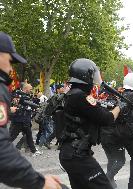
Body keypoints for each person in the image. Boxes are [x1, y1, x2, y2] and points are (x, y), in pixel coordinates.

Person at [0, 31, 62, 189]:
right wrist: (40, 182)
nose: (10, 69)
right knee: (14, 135)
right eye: (10, 61)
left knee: (23, 135)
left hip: (24, 120)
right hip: (20, 120)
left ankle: (31, 149)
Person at [59, 58, 122, 189]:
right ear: (85, 76)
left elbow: (91, 112)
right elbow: (107, 119)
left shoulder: (72, 94)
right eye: (93, 75)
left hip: (71, 153)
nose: (94, 79)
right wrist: (120, 107)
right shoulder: (81, 97)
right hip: (77, 156)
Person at [101, 73, 133, 189]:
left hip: (116, 133)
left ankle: (108, 181)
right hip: (132, 134)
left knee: (116, 160)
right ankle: (131, 186)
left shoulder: (119, 97)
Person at [9, 83, 42, 156]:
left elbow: (29, 105)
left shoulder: (27, 96)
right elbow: (17, 103)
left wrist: (34, 107)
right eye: (30, 89)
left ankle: (33, 151)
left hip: (26, 120)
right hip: (18, 120)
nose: (31, 90)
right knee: (11, 137)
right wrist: (33, 105)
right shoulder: (17, 95)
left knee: (29, 135)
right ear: (25, 89)